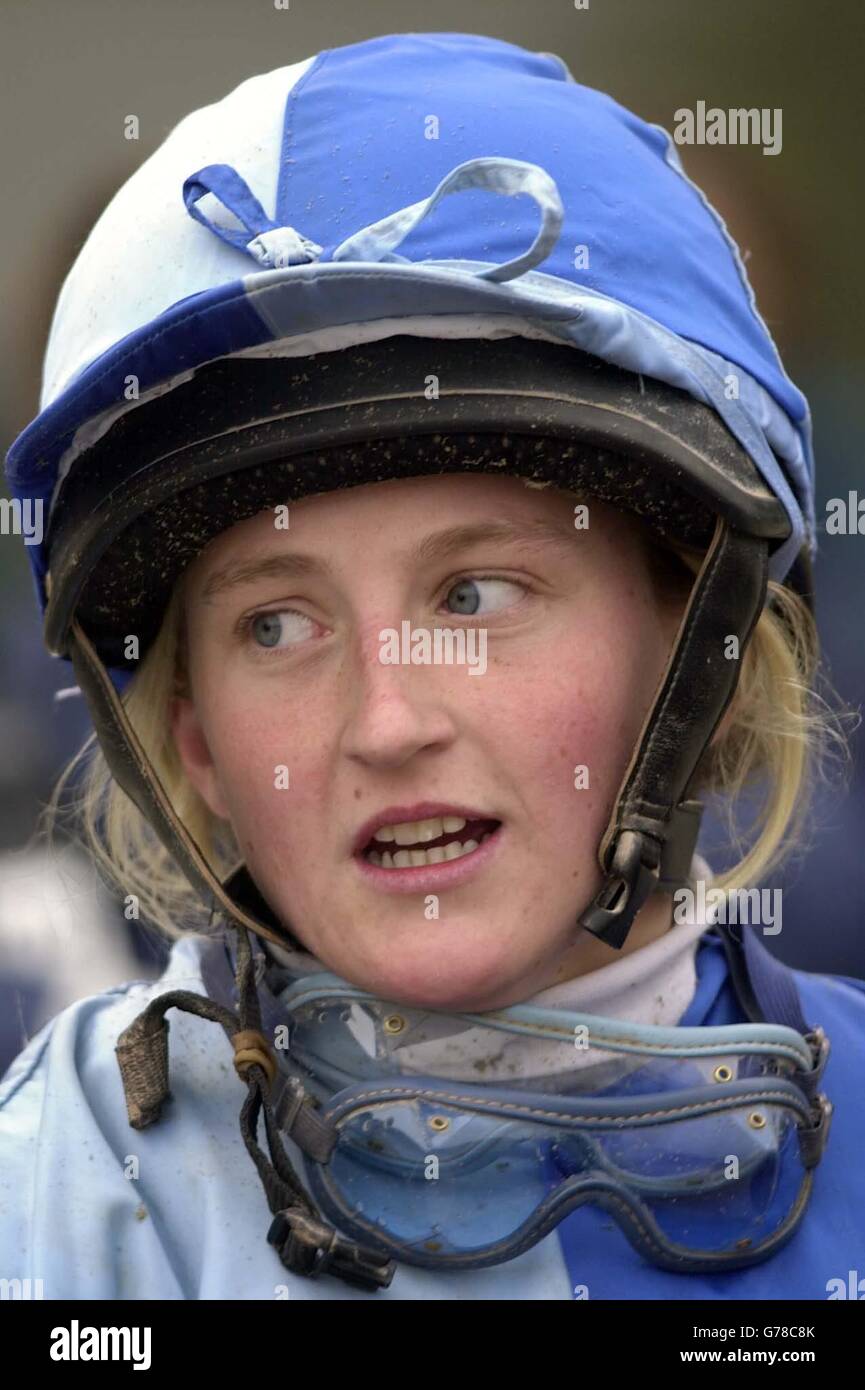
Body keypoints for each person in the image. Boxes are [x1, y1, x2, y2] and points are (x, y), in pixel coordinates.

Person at [1, 31, 863, 1302]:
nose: (386, 720)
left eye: (473, 595)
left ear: (704, 650)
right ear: (195, 741)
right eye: (277, 627)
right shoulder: (58, 1202)